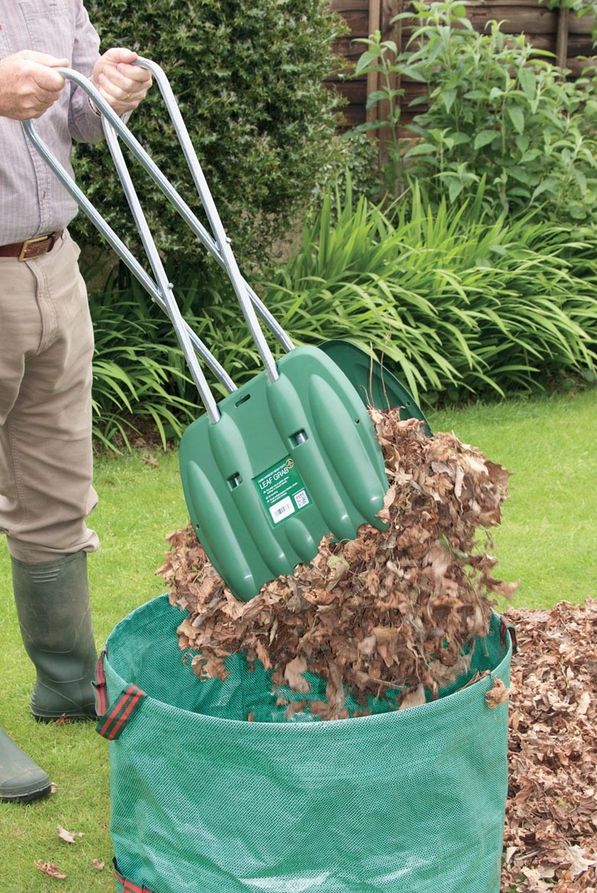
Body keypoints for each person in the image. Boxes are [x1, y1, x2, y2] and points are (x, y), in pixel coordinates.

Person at [0, 2, 152, 803]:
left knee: (57, 491)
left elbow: (81, 120)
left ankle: (66, 683)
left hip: (52, 266)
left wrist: (109, 90)